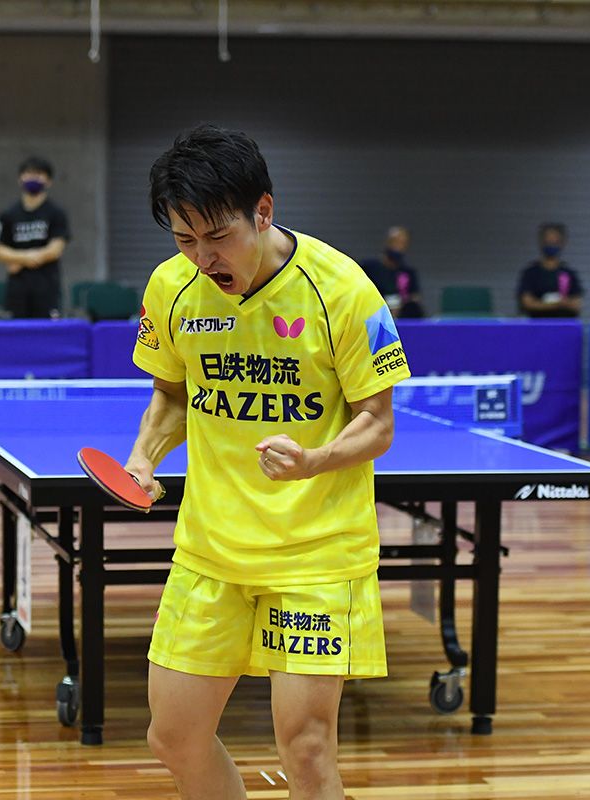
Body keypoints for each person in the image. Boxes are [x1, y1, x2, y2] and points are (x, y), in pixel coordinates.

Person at [127, 124, 411, 800]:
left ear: (262, 211)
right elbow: (172, 394)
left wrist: (315, 460)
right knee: (173, 737)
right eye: (183, 239)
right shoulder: (171, 288)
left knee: (307, 749)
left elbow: (378, 423)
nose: (202, 258)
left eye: (216, 236)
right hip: (211, 549)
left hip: (317, 552)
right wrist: (144, 455)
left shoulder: (343, 290)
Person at [0, 156, 71, 318]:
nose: (33, 178)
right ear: (20, 179)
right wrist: (26, 257)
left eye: (38, 174)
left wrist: (20, 260)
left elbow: (55, 249)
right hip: (17, 289)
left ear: (48, 181)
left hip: (47, 287)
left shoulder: (56, 213)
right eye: (29, 174)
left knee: (47, 331)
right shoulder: (9, 214)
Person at [517, 222, 583, 318]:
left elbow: (576, 305)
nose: (551, 244)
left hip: (563, 323)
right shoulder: (530, 273)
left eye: (555, 241)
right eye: (548, 241)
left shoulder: (568, 274)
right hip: (537, 323)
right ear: (541, 242)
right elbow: (527, 303)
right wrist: (558, 304)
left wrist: (540, 304)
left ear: (562, 243)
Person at [359, 226, 424, 318]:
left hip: (401, 318)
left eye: (403, 243)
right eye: (395, 242)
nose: (398, 247)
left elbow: (415, 297)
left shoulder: (408, 272)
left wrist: (402, 304)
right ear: (387, 242)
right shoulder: (369, 267)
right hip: (374, 314)